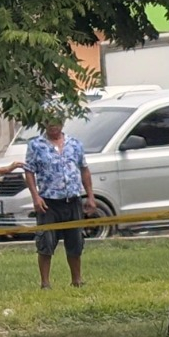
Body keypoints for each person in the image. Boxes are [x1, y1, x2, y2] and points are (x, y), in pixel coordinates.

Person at [23, 115, 98, 289]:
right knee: (46, 242)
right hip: (48, 202)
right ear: (44, 124)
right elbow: (29, 172)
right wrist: (35, 196)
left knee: (76, 241)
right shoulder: (35, 145)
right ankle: (45, 283)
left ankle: (77, 280)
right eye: (49, 123)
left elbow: (84, 169)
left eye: (56, 123)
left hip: (72, 199)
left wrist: (90, 196)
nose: (53, 127)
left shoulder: (75, 144)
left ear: (62, 123)